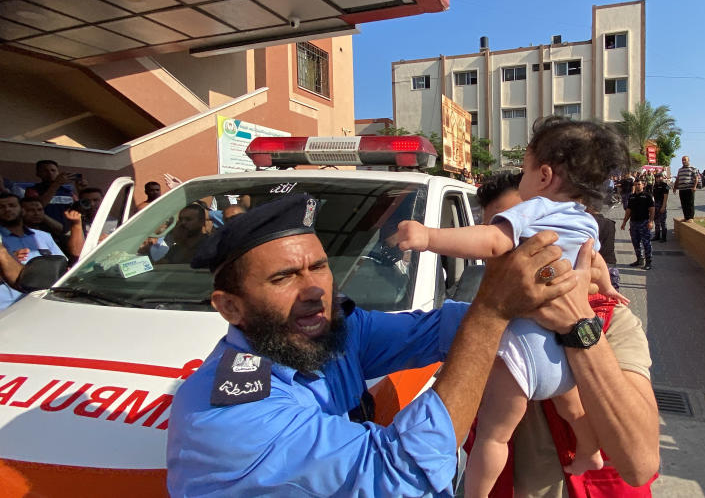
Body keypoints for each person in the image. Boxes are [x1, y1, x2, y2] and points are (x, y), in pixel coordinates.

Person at [166, 193, 617, 496]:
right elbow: (399, 473)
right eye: (283, 277)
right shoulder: (223, 412)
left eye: (319, 267)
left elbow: (438, 329)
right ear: (230, 307)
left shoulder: (334, 331)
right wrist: (492, 313)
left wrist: (545, 300)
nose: (314, 290)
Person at [394, 117, 632, 496]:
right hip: (564, 356)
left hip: (523, 348)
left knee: (493, 434)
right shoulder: (586, 221)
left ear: (545, 175)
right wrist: (606, 288)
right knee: (574, 410)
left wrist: (428, 237)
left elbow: (491, 241)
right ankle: (589, 452)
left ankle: (475, 494)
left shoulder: (534, 209)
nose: (520, 179)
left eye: (524, 169)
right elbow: (595, 263)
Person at [475, 175, 659, 497]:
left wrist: (577, 325)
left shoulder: (613, 323)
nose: (514, 258)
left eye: (526, 240)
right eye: (500, 241)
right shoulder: (481, 321)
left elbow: (640, 464)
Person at [0, 193, 66, 310]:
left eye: (12, 205)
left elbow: (62, 267)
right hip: (7, 309)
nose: (7, 209)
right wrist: (7, 261)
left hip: (43, 305)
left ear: (22, 210)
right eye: (1, 207)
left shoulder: (43, 236)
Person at [25, 160, 81, 226]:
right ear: (38, 174)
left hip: (66, 230)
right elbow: (40, 206)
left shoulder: (68, 192)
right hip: (44, 229)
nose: (50, 173)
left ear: (58, 173)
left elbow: (80, 209)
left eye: (53, 170)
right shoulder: (32, 190)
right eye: (45, 171)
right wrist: (56, 184)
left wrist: (80, 190)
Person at [621, 181, 655, 270]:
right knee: (635, 243)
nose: (637, 186)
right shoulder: (631, 197)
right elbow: (628, 210)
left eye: (639, 184)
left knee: (646, 243)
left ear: (643, 185)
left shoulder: (647, 196)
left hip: (644, 222)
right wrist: (624, 222)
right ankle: (639, 260)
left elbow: (652, 210)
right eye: (635, 184)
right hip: (633, 223)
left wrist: (651, 221)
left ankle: (648, 262)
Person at [673, 156, 699, 221]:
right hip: (681, 189)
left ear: (688, 160)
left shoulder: (692, 168)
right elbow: (678, 179)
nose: (683, 161)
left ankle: (691, 218)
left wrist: (695, 186)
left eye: (685, 160)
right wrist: (675, 187)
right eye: (682, 160)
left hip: (689, 189)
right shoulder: (680, 170)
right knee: (683, 204)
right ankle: (686, 217)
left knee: (690, 203)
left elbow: (696, 178)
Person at [650, 173, 671, 242]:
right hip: (656, 204)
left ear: (662, 177)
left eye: (659, 177)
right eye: (657, 177)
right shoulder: (655, 185)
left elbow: (666, 197)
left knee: (663, 222)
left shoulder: (665, 185)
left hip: (662, 204)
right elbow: (653, 196)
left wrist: (663, 206)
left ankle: (664, 238)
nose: (658, 178)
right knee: (656, 221)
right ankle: (657, 236)